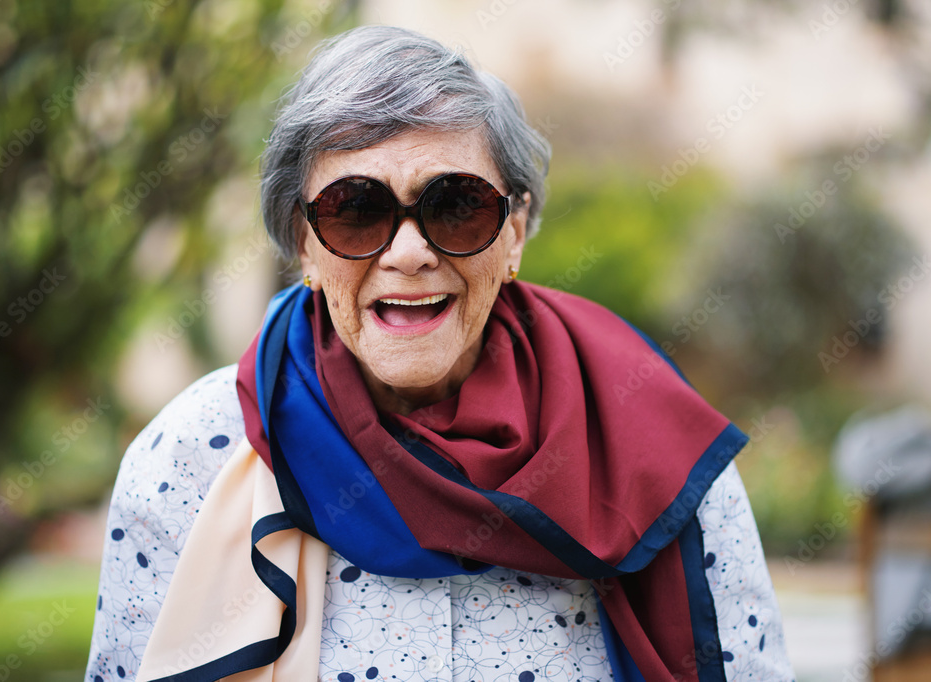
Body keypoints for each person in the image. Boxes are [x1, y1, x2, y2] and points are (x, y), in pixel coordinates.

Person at [85, 25, 794, 682]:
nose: (409, 253)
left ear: (515, 231)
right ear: (303, 242)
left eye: (457, 205)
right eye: (356, 209)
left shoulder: (654, 450)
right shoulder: (186, 461)